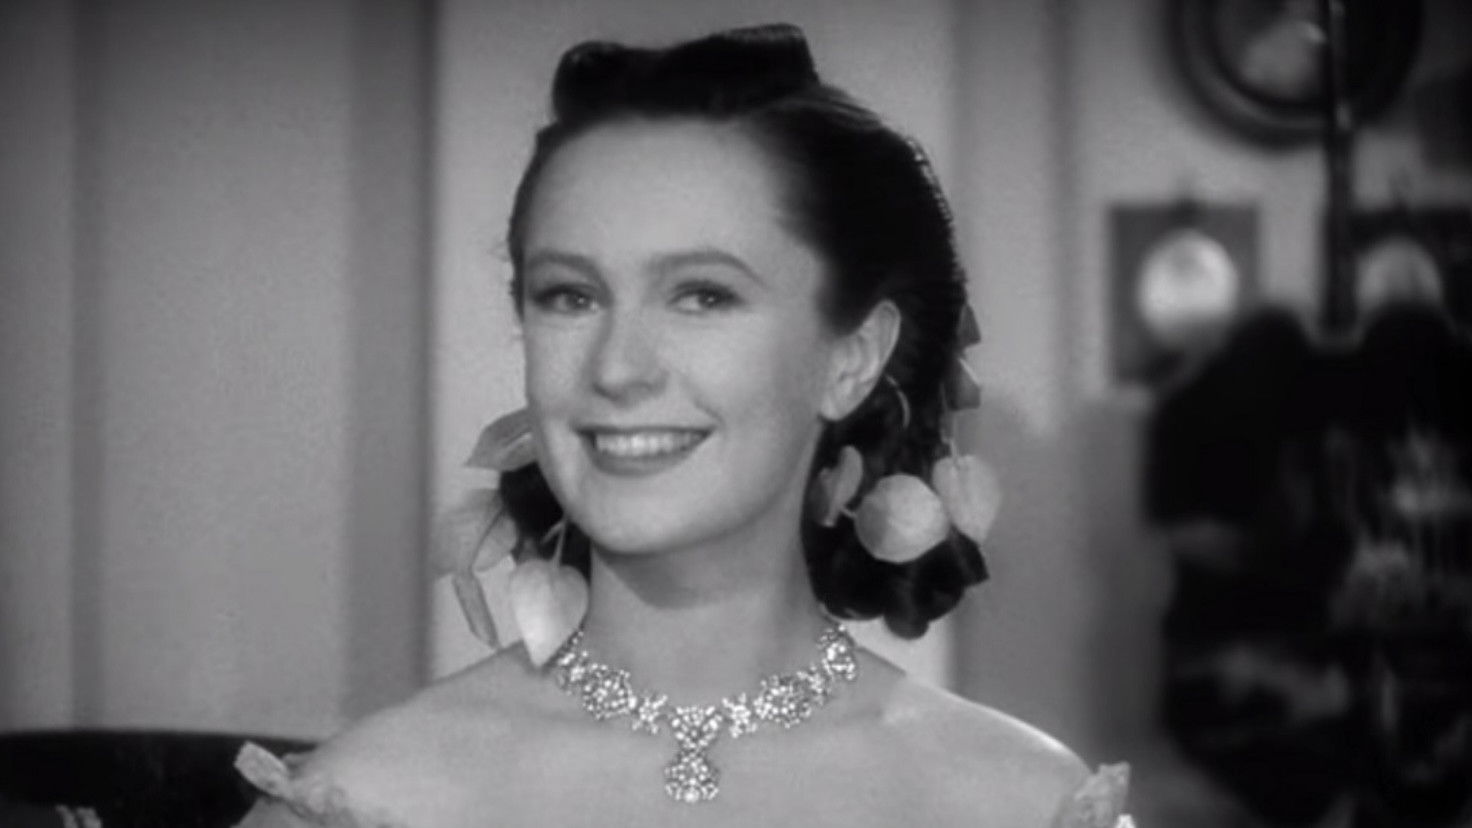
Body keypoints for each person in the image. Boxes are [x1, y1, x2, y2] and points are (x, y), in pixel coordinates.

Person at [233, 24, 1133, 828]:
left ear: (852, 357)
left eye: (702, 295)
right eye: (571, 296)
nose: (617, 368)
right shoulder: (370, 799)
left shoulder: (1021, 804)